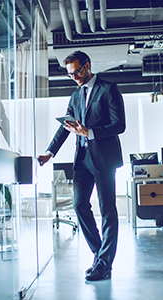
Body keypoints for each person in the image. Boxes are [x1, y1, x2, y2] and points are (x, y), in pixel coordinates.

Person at [37, 51, 125, 281]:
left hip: (104, 159)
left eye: (77, 71)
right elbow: (65, 127)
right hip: (82, 160)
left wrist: (90, 132)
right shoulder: (76, 96)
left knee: (107, 211)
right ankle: (100, 256)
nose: (74, 76)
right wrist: (49, 152)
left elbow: (119, 125)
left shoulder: (108, 89)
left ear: (87, 65)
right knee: (79, 206)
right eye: (70, 74)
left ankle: (104, 264)